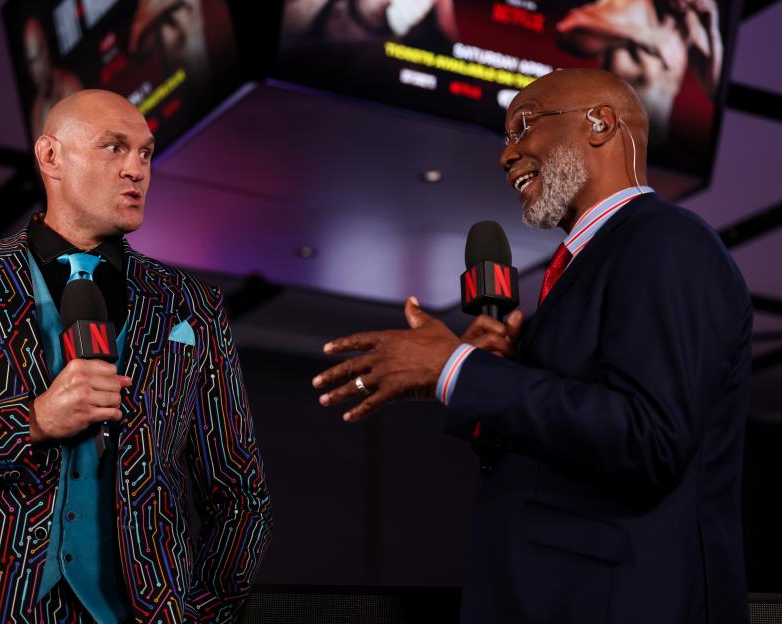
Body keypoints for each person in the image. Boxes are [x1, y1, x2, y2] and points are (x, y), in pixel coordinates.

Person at [313, 68, 750, 623]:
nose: (506, 155)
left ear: (599, 123)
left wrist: (459, 371)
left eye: (524, 126)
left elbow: (650, 439)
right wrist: (484, 377)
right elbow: (566, 448)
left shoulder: (667, 241)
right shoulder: (583, 268)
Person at [0, 90, 273, 623]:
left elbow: (239, 493)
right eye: (114, 148)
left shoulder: (192, 306)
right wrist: (29, 422)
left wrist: (198, 614)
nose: (136, 169)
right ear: (50, 157)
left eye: (144, 153)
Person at [556, 0, 723, 146]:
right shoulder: (631, 6)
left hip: (656, 157)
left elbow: (716, 91)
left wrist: (713, 32)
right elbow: (565, 28)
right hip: (613, 146)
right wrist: (644, 36)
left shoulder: (689, 25)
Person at [23, 16, 83, 139]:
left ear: (47, 51)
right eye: (31, 61)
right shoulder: (37, 111)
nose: (37, 68)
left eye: (39, 55)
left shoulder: (67, 85)